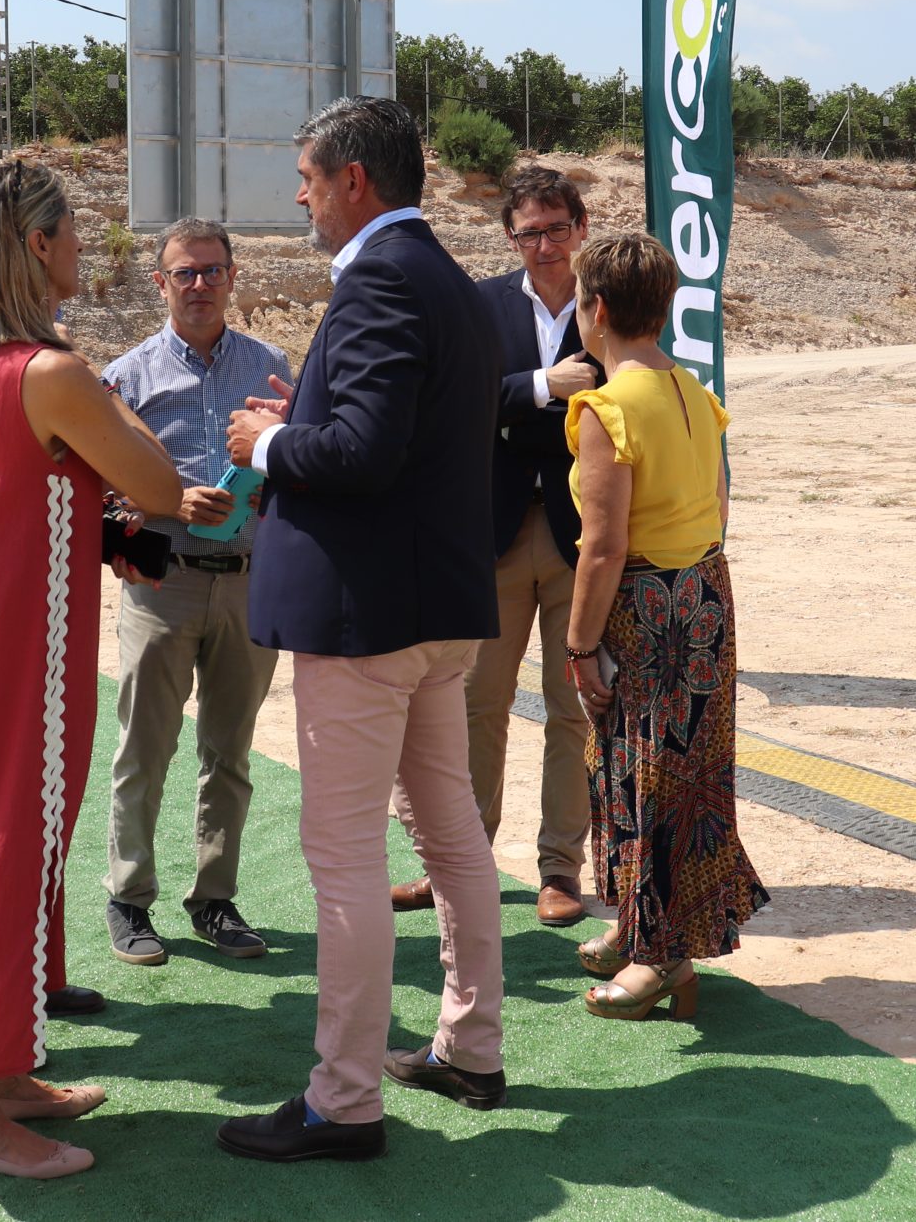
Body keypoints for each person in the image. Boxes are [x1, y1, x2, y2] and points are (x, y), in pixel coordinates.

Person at [216, 96, 506, 1162]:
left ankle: (342, 1100)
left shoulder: (381, 278)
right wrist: (304, 419)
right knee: (453, 836)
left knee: (344, 857)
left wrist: (264, 443)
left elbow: (364, 452)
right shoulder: (454, 283)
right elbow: (401, 438)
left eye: (306, 178)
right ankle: (471, 1047)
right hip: (435, 611)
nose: (298, 197)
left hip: (369, 619)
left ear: (352, 180)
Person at [0, 156, 183, 1181]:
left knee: (1, 845)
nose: (85, 246)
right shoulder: (47, 373)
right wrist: (104, 394)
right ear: (35, 245)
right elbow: (156, 482)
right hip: (19, 651)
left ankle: (2, 1076)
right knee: (2, 855)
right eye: (72, 230)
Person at [560, 232, 767, 1022]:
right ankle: (640, 927)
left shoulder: (605, 408)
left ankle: (659, 953)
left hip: (646, 606)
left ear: (597, 308)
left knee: (641, 772)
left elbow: (602, 546)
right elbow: (717, 505)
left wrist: (580, 644)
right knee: (684, 773)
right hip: (704, 594)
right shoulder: (693, 392)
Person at [391, 164, 597, 926]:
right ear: (509, 237)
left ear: (581, 227)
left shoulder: (607, 303)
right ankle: (458, 863)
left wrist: (517, 406)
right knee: (479, 704)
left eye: (556, 228)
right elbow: (458, 401)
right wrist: (544, 386)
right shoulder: (480, 303)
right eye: (529, 232)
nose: (544, 245)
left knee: (572, 707)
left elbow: (620, 389)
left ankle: (560, 868)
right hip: (495, 531)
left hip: (584, 534)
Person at [98, 218, 293, 968]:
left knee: (230, 754)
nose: (200, 285)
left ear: (233, 278)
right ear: (160, 283)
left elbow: (297, 463)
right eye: (185, 273)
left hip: (248, 585)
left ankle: (215, 898)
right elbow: (101, 491)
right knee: (144, 750)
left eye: (213, 271)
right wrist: (169, 500)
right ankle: (129, 898)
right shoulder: (127, 378)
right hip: (164, 586)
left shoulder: (270, 367)